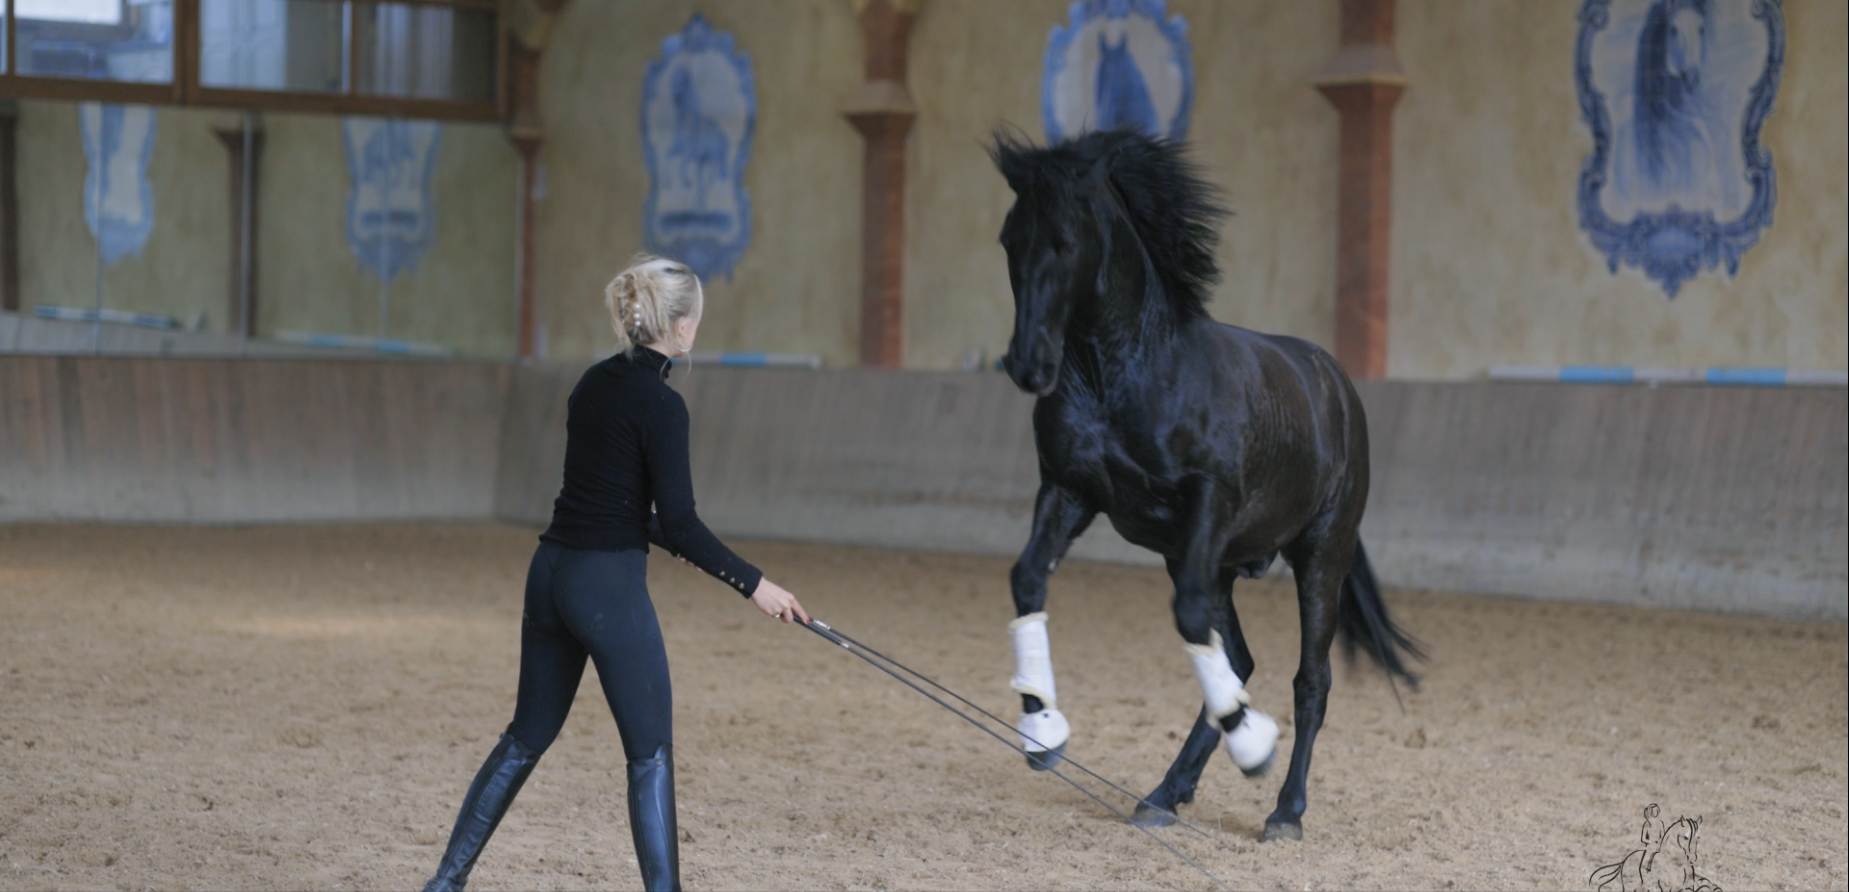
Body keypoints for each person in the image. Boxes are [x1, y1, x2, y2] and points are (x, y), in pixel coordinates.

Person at [423, 254, 809, 892]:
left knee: (526, 734)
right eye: (697, 322)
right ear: (679, 328)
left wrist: (657, 534)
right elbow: (679, 522)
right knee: (650, 753)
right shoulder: (663, 405)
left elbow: (615, 503)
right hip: (606, 589)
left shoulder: (592, 383)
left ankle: (445, 883)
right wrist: (756, 585)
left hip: (551, 575)